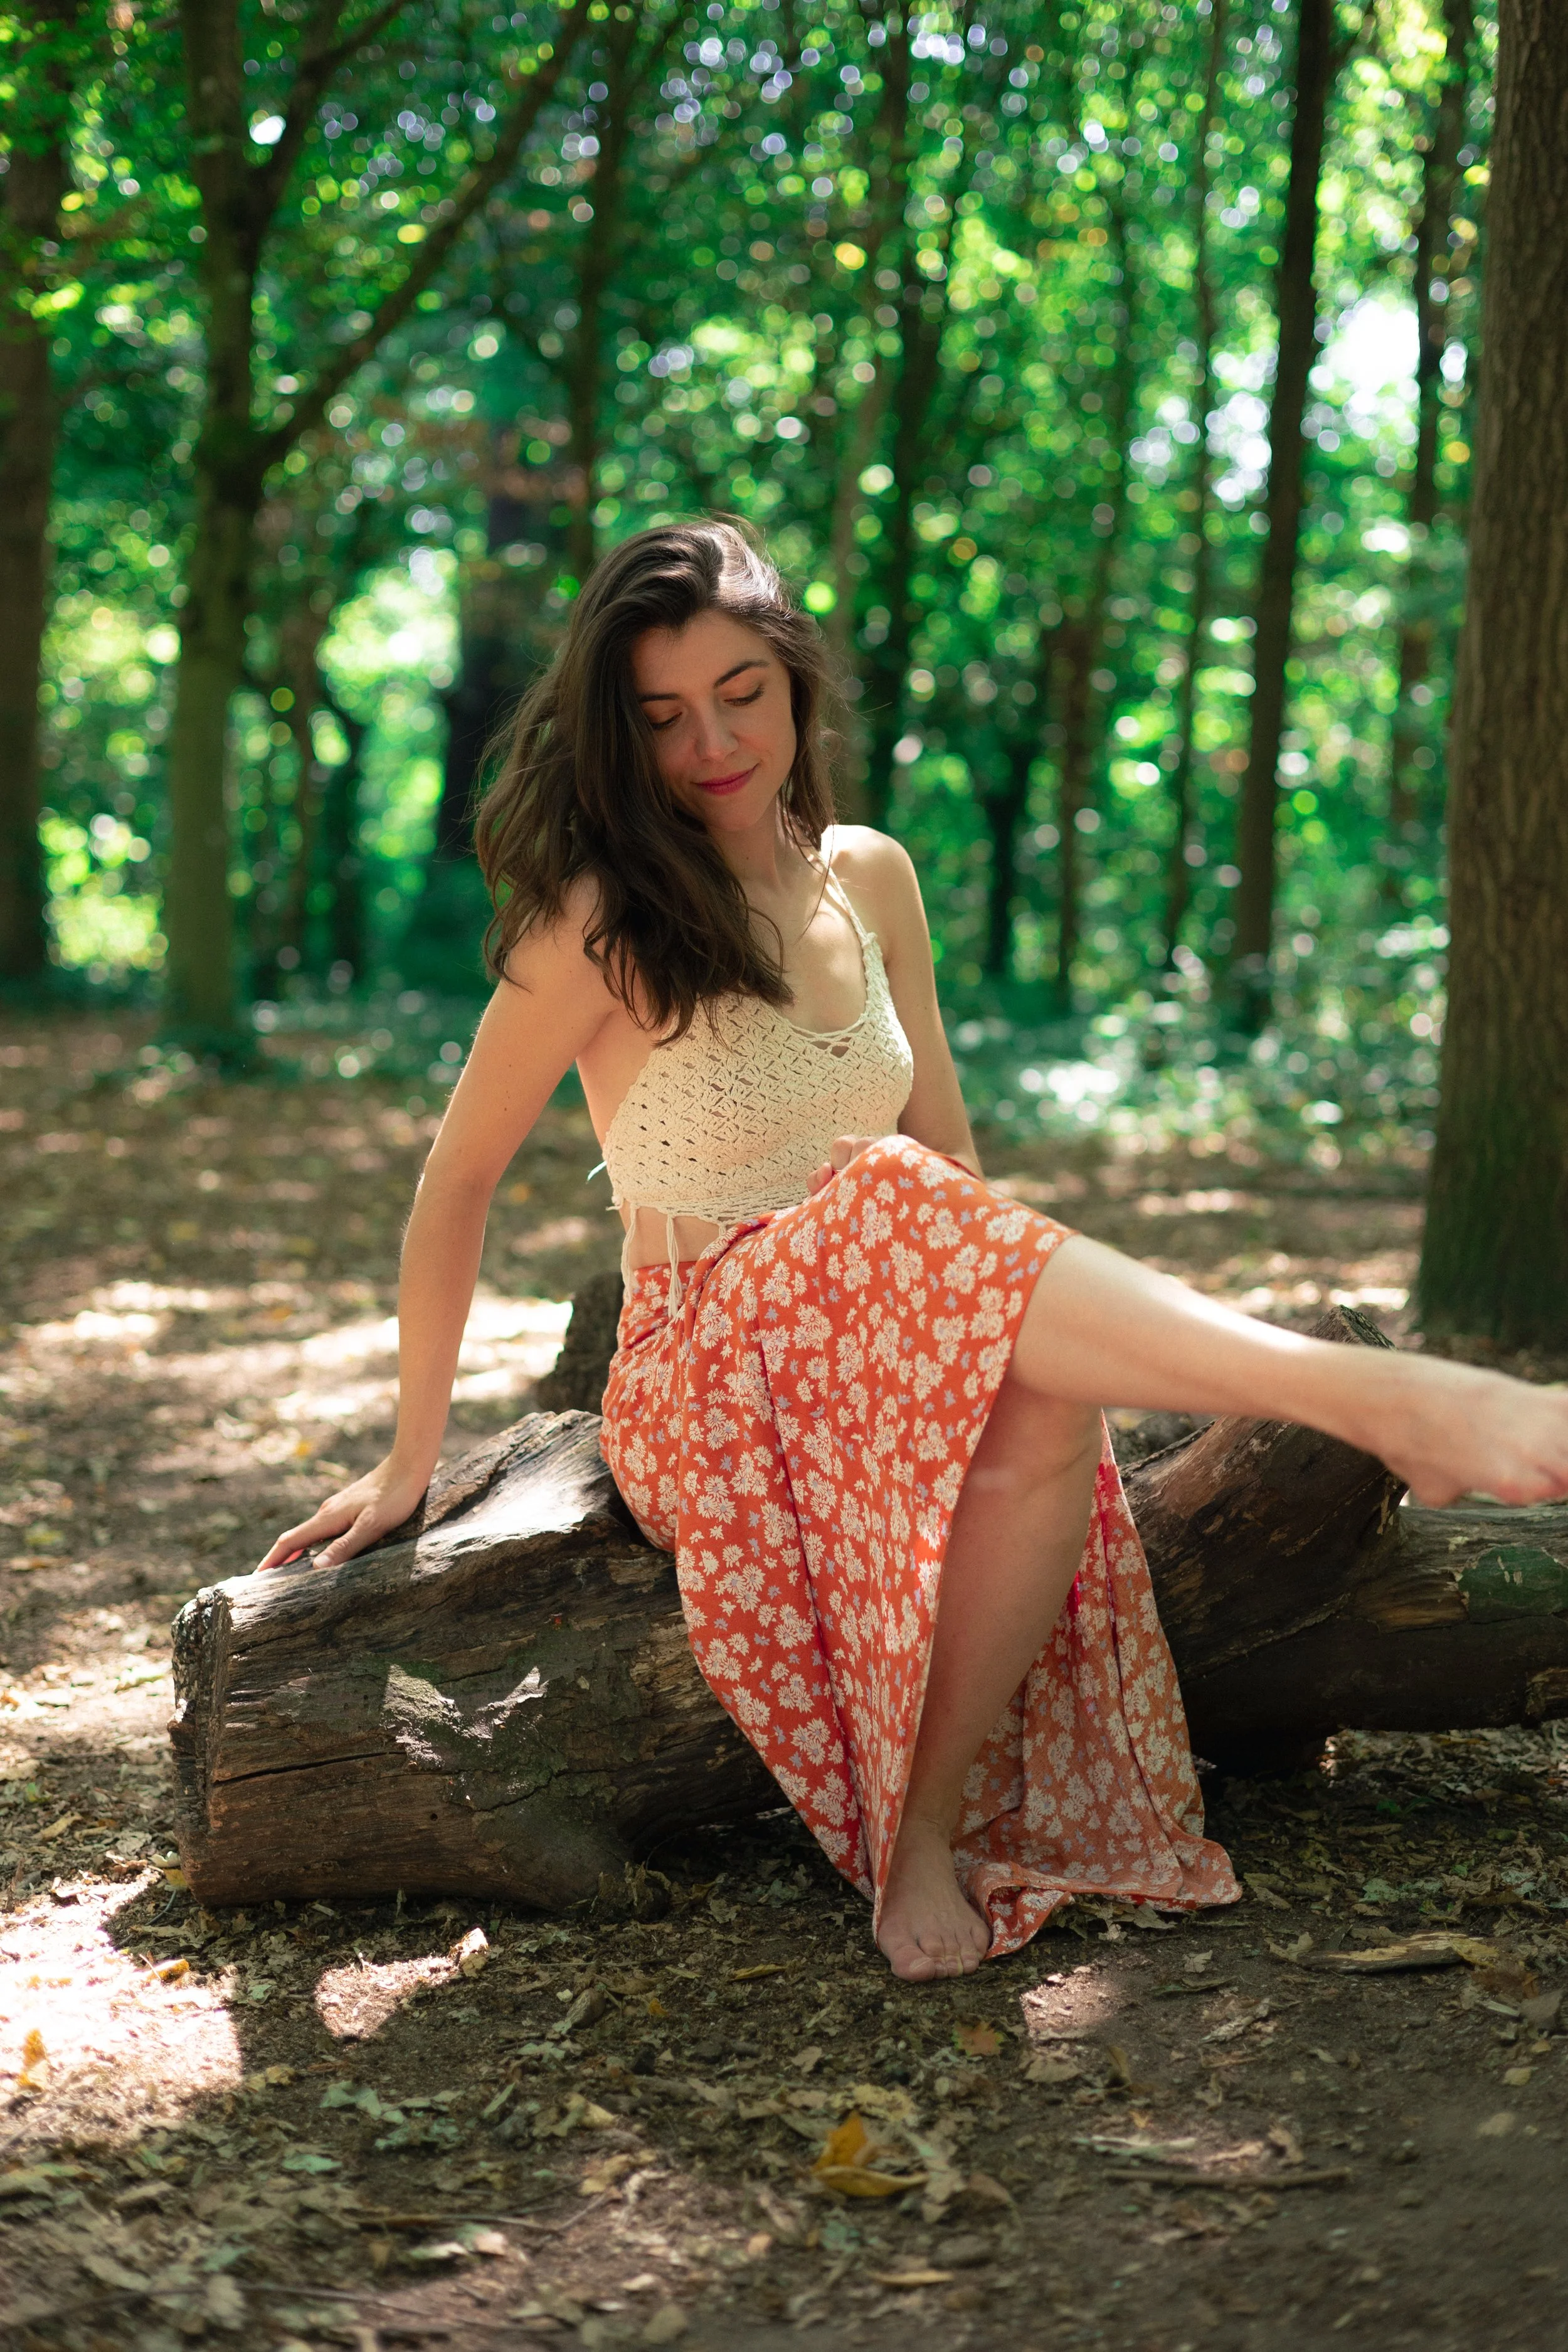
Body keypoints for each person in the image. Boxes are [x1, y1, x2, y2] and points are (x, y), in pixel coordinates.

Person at [259, 521, 1568, 1984]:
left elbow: (951, 1164)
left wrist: (1006, 1328)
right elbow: (455, 1186)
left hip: (878, 1320)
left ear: (799, 681)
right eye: (664, 716)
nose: (712, 741)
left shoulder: (867, 879)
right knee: (885, 1191)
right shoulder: (595, 918)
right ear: (617, 737)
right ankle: (1374, 1399)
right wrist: (408, 1456)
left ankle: (922, 1837)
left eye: (742, 692)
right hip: (708, 1376)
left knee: (1030, 1378)